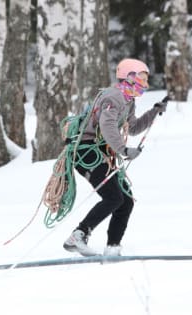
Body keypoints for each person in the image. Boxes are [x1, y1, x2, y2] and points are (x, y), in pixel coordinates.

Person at [63, 58, 167, 256]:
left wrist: (153, 112)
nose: (145, 84)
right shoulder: (113, 97)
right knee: (113, 198)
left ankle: (112, 247)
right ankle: (77, 236)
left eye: (146, 79)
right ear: (129, 77)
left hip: (100, 152)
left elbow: (134, 127)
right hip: (86, 151)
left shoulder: (128, 100)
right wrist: (124, 150)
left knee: (125, 200)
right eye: (142, 78)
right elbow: (107, 125)